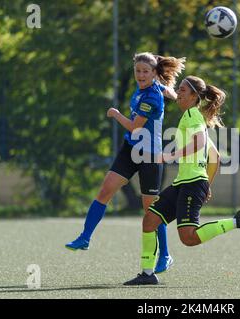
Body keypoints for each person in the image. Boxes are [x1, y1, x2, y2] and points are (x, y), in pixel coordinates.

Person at [123, 75, 240, 285]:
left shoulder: (193, 116)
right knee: (150, 220)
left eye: (183, 91)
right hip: (184, 183)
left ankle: (237, 221)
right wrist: (207, 185)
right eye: (179, 89)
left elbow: (200, 143)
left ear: (194, 96)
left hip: (191, 184)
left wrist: (171, 156)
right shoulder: (190, 114)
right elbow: (214, 157)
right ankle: (147, 274)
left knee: (188, 238)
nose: (179, 93)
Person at [66, 52, 186, 274]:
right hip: (130, 150)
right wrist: (173, 93)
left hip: (149, 156)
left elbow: (135, 127)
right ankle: (85, 237)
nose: (140, 75)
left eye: (145, 71)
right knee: (105, 191)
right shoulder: (154, 87)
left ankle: (166, 255)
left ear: (153, 74)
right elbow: (167, 90)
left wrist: (116, 114)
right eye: (138, 71)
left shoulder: (151, 97)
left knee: (151, 212)